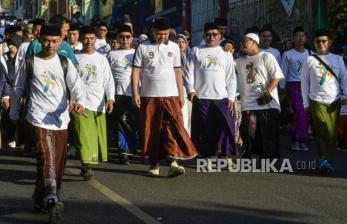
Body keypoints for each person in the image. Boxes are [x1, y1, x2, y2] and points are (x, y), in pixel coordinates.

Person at [9, 24, 86, 223]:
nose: (49, 45)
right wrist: (14, 112)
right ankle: (52, 199)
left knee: (58, 164)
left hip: (60, 119)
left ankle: (40, 198)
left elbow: (77, 86)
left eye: (54, 41)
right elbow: (18, 89)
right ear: (38, 39)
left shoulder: (64, 62)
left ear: (60, 40)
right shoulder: (30, 62)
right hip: (37, 117)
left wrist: (80, 102)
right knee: (46, 157)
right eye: (46, 40)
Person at [131, 17, 197, 177]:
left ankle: (173, 162)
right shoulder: (142, 47)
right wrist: (135, 93)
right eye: (159, 34)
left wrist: (181, 94)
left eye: (166, 34)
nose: (163, 37)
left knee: (173, 128)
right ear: (153, 31)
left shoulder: (174, 47)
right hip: (149, 95)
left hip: (171, 94)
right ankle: (154, 164)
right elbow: (135, 71)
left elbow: (177, 71)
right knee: (151, 129)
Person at [186, 22, 237, 159]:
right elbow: (188, 72)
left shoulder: (226, 53)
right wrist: (190, 90)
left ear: (220, 36)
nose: (211, 37)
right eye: (208, 34)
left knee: (227, 126)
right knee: (204, 128)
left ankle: (227, 154)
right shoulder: (196, 50)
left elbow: (231, 77)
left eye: (215, 34)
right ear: (204, 35)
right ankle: (206, 153)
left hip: (222, 97)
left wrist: (231, 97)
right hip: (201, 96)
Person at [71, 26, 115, 179]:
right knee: (83, 134)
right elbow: (70, 81)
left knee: (94, 135)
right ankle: (86, 165)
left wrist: (110, 98)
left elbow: (109, 81)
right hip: (80, 102)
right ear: (81, 40)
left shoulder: (102, 59)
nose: (89, 41)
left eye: (92, 38)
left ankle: (86, 164)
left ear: (96, 40)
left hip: (97, 101)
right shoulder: (75, 57)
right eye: (86, 38)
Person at [301, 29, 347, 173]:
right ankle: (323, 160)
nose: (321, 44)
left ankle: (329, 160)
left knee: (332, 133)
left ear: (330, 42)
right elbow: (304, 82)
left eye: (324, 41)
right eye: (318, 41)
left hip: (335, 100)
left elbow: (344, 78)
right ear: (314, 43)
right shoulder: (310, 60)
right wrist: (306, 103)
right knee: (322, 129)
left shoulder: (337, 59)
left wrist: (346, 95)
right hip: (317, 100)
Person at [236, 33, 284, 159]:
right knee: (247, 131)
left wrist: (266, 94)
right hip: (248, 103)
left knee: (268, 133)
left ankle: (268, 160)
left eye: (245, 41)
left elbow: (277, 77)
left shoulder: (266, 56)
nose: (242, 43)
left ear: (254, 42)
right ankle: (252, 154)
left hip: (266, 103)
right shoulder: (240, 60)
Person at [107, 25, 137, 164]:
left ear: (132, 38)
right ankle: (123, 152)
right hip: (117, 94)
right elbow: (106, 77)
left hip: (134, 94)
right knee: (119, 123)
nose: (125, 39)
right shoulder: (111, 54)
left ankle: (131, 150)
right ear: (117, 39)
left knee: (132, 123)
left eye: (127, 37)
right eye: (122, 37)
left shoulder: (136, 53)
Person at [280, 26, 310, 151]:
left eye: (302, 36)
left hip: (308, 86)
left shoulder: (310, 54)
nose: (300, 38)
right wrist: (282, 89)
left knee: (306, 116)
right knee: (300, 114)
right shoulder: (287, 54)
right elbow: (283, 72)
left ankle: (301, 140)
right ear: (293, 38)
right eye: (297, 36)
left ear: (306, 39)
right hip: (294, 86)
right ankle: (295, 140)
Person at [176, 34, 192, 134]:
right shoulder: (172, 56)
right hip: (178, 90)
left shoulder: (191, 56)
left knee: (189, 116)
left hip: (190, 91)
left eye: (183, 42)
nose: (181, 44)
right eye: (178, 42)